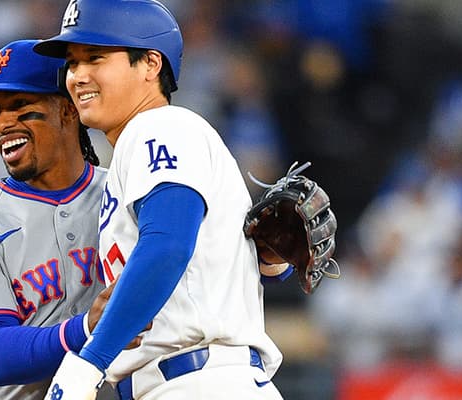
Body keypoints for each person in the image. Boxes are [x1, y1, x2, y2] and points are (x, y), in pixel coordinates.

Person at [34, 1, 285, 399]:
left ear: (150, 65)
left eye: (94, 58)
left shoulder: (161, 127)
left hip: (199, 382)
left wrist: (90, 360)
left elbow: (167, 246)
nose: (77, 75)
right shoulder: (140, 148)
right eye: (72, 63)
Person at [0, 39, 113, 399]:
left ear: (67, 110)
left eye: (19, 106)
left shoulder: (125, 191)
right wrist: (86, 328)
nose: (2, 124)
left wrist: (260, 255)